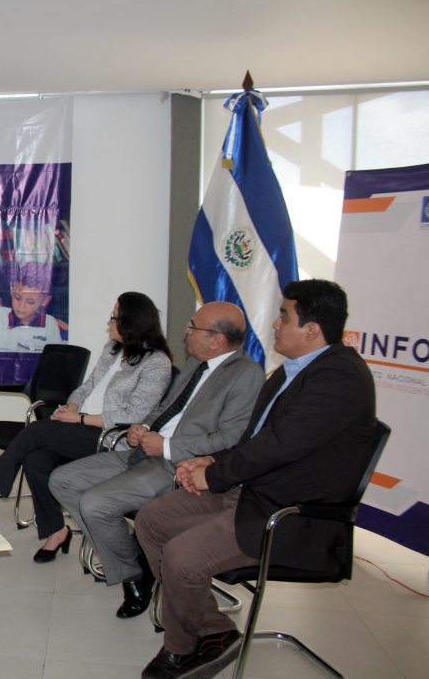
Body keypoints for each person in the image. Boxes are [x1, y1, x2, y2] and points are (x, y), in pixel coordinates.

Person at [134, 280, 376, 679]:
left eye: (284, 316)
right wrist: (211, 460)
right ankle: (214, 630)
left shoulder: (339, 379)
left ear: (312, 330)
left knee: (181, 557)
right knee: (151, 520)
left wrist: (212, 475)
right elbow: (254, 441)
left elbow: (278, 447)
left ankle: (181, 650)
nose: (275, 324)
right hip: (251, 492)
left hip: (289, 513)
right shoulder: (290, 372)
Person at [49, 301, 264, 619]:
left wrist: (166, 446)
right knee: (62, 480)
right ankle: (134, 560)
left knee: (95, 504)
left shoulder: (246, 375)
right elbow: (164, 408)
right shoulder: (196, 363)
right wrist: (143, 427)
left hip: (178, 465)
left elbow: (229, 439)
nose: (186, 331)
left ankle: (133, 576)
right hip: (142, 450)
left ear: (216, 340)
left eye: (193, 326)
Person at [0, 292, 173, 562]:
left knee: (36, 431)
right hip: (82, 424)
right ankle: (56, 530)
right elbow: (87, 387)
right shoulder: (113, 349)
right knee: (35, 458)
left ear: (131, 322)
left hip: (110, 438)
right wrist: (72, 408)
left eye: (114, 316)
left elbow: (134, 414)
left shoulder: (157, 363)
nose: (109, 321)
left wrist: (81, 419)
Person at [0, 262, 64, 349]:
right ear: (12, 289)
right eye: (17, 297)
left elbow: (57, 356)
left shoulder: (50, 324)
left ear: (45, 301)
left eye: (30, 302)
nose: (21, 306)